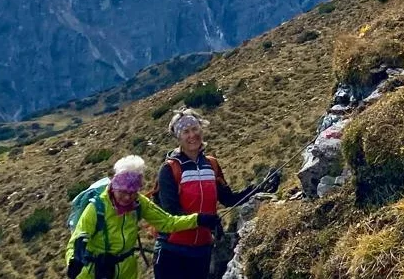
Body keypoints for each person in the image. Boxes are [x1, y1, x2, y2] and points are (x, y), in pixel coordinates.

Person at [152, 109, 279, 279]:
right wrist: (204, 220)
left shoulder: (211, 165)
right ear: (178, 137)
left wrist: (259, 187)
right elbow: (170, 211)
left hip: (201, 251)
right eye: (186, 132)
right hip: (172, 250)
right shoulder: (169, 169)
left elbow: (228, 199)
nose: (192, 135)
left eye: (195, 129)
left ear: (201, 129)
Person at [66, 154, 220, 279]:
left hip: (127, 270)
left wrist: (198, 219)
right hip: (94, 271)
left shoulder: (139, 203)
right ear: (114, 186)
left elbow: (167, 222)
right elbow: (76, 240)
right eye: (123, 192)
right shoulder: (96, 208)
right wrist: (73, 261)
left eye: (132, 193)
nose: (127, 198)